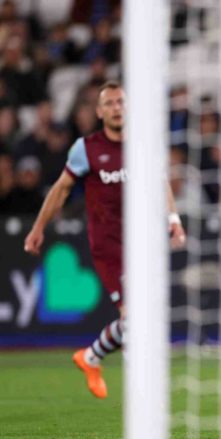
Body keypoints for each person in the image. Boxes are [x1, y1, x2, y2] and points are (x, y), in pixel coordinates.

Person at [23, 80, 186, 399]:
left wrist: (173, 219)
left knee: (144, 316)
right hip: (108, 246)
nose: (116, 108)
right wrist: (38, 227)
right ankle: (140, 385)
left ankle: (92, 356)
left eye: (120, 102)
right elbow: (61, 189)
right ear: (99, 112)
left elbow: (159, 180)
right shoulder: (86, 149)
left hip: (141, 244)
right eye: (109, 103)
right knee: (135, 317)